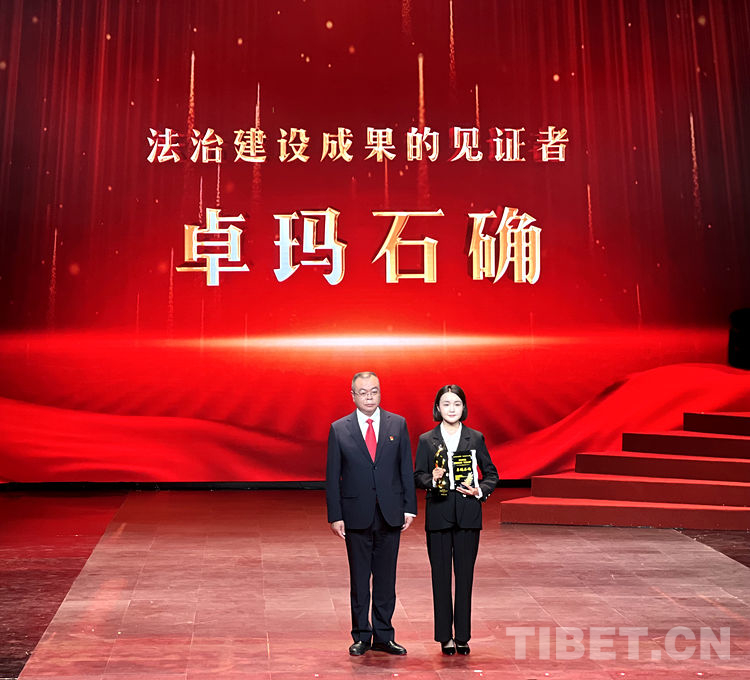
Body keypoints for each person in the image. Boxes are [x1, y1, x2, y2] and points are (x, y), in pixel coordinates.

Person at [326, 371, 418, 656]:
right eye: (363, 392)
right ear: (353, 395)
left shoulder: (397, 424)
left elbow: (405, 468)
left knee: (386, 578)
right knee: (359, 578)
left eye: (374, 391)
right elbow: (333, 476)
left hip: (390, 512)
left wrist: (409, 507)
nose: (369, 397)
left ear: (380, 392)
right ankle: (361, 635)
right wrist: (335, 515)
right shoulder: (339, 429)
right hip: (355, 513)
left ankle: (384, 635)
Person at [414, 384, 498, 655]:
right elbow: (417, 475)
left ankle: (462, 635)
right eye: (446, 404)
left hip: (468, 515)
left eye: (457, 404)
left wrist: (479, 490)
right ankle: (444, 637)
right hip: (438, 514)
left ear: (464, 407)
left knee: (464, 577)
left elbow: (492, 474)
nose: (452, 409)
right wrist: (431, 479)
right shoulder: (427, 440)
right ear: (438, 408)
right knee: (440, 578)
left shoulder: (475, 438)